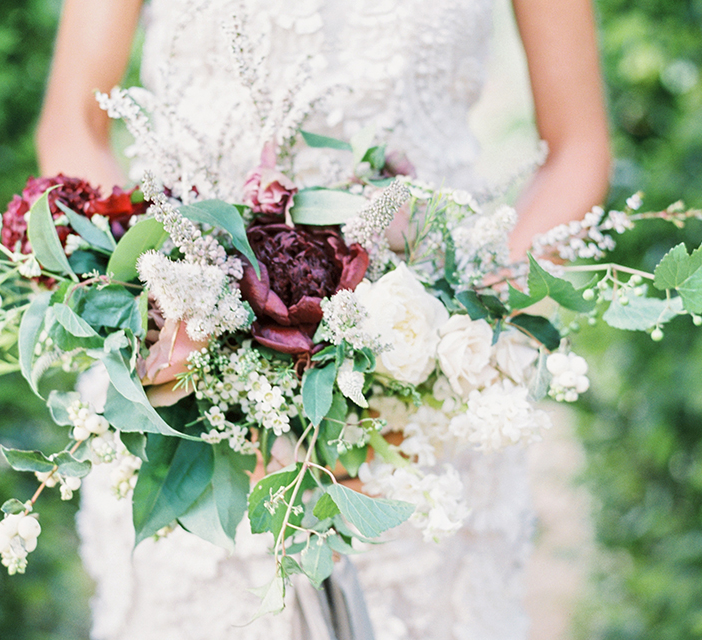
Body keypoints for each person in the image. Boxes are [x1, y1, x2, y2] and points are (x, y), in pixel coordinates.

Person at [36, 1, 611, 638]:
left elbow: (577, 147)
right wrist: (179, 324)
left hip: (429, 410)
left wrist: (451, 340)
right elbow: (74, 125)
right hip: (192, 402)